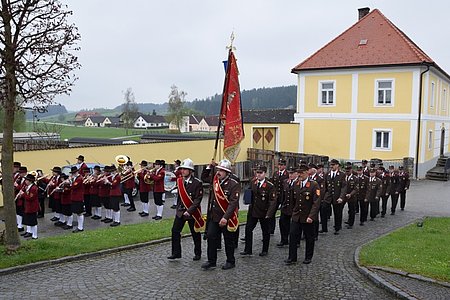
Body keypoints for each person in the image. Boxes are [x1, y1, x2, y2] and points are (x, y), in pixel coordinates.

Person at [201, 159, 240, 270]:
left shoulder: (234, 184)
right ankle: (211, 261)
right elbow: (204, 177)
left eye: (222, 171)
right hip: (214, 216)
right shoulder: (215, 181)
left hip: (226, 218)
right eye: (218, 170)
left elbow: (233, 203)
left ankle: (230, 261)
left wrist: (225, 217)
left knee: (228, 240)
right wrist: (209, 166)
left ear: (227, 172)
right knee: (211, 237)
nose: (218, 172)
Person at [168, 158, 203, 261]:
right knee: (175, 231)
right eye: (182, 169)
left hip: (192, 212)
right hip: (181, 211)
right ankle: (176, 253)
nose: (182, 171)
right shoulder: (179, 181)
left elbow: (198, 199)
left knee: (195, 233)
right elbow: (180, 197)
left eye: (185, 169)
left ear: (190, 171)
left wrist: (190, 211)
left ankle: (198, 253)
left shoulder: (197, 183)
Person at [285, 165, 321, 265]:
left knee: (309, 237)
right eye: (298, 172)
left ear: (307, 173)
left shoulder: (314, 185)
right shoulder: (296, 184)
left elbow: (316, 202)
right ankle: (292, 257)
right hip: (297, 215)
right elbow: (292, 200)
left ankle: (308, 257)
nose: (299, 175)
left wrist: (311, 216)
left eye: (302, 173)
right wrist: (292, 212)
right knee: (292, 235)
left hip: (307, 216)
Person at [241, 165, 277, 257]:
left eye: (261, 173)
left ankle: (265, 250)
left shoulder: (269, 186)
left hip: (264, 212)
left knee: (265, 231)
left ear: (265, 174)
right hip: (253, 211)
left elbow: (272, 201)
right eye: (257, 173)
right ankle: (248, 249)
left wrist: (269, 213)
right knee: (248, 230)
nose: (259, 175)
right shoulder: (253, 182)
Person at [323, 159, 346, 235]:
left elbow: (343, 187)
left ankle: (337, 227)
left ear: (337, 165)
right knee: (324, 211)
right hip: (328, 197)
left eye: (333, 165)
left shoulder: (342, 175)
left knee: (337, 213)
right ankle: (324, 228)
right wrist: (324, 196)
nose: (331, 166)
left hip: (337, 197)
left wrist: (341, 197)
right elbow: (325, 187)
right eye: (331, 165)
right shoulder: (327, 174)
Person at [277, 166, 297, 247]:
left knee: (294, 226)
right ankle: (284, 239)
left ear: (296, 174)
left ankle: (295, 241)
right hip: (285, 207)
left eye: (292, 173)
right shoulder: (285, 182)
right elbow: (283, 194)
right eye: (290, 173)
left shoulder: (298, 183)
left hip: (294, 207)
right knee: (282, 223)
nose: (290, 175)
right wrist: (281, 203)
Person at [270, 158, 288, 234]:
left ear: (284, 166)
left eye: (281, 165)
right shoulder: (275, 173)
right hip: (276, 196)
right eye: (279, 165)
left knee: (284, 215)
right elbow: (273, 185)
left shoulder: (287, 174)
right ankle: (271, 230)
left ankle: (285, 231)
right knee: (271, 213)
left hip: (283, 196)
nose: (280, 166)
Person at [308, 163, 324, 240]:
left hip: (315, 201)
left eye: (309, 169)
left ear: (314, 170)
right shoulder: (307, 178)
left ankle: (315, 234)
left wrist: (318, 200)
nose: (308, 170)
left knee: (315, 218)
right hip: (307, 201)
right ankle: (306, 233)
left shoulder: (319, 179)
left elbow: (320, 191)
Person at [68, 166, 85, 232]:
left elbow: (73, 186)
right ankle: (79, 227)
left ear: (77, 172)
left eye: (74, 172)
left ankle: (80, 227)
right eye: (72, 173)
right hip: (74, 197)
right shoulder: (75, 178)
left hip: (78, 197)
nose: (72, 174)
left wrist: (70, 180)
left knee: (79, 212)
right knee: (77, 212)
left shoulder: (79, 178)